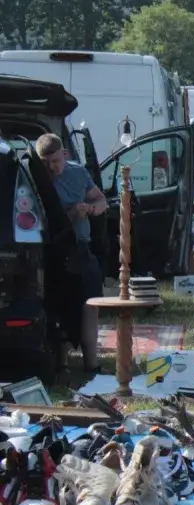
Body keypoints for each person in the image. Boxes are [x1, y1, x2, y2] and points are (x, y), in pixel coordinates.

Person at [36, 134, 107, 375]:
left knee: (91, 302)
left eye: (55, 161)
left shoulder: (77, 173)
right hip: (53, 250)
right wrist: (71, 215)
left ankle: (91, 361)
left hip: (81, 246)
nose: (51, 167)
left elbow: (100, 200)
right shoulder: (35, 179)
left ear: (65, 154)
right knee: (60, 304)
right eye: (45, 163)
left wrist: (90, 208)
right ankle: (62, 361)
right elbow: (42, 222)